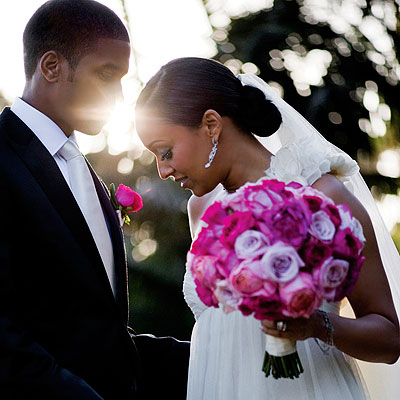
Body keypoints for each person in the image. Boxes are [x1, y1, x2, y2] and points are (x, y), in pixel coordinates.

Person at [135, 57, 400, 399]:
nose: (163, 171)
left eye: (166, 151)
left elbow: (389, 339)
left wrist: (315, 325)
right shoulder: (201, 210)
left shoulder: (322, 196)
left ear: (212, 124)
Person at [0, 1, 189, 399]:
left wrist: (222, 355)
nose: (118, 96)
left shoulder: (85, 173)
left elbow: (102, 333)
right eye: (106, 75)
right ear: (51, 67)